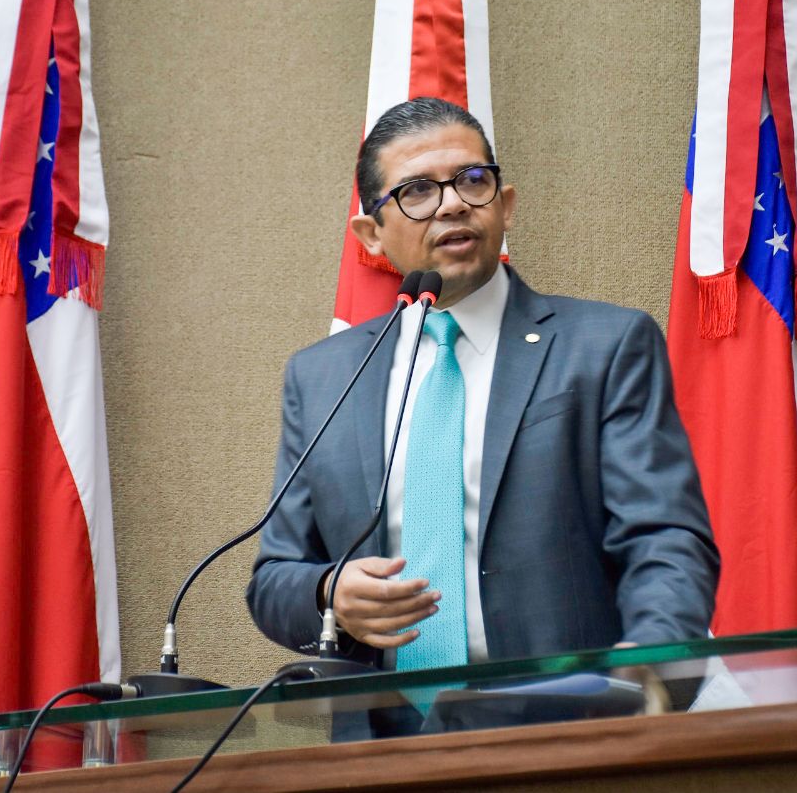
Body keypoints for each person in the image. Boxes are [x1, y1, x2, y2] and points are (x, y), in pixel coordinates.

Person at [247, 97, 718, 682]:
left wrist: (651, 656)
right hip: (382, 744)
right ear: (371, 234)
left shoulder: (605, 346)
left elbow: (664, 537)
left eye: (473, 180)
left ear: (506, 205)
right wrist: (327, 590)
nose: (450, 204)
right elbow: (273, 580)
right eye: (416, 191)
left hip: (569, 725)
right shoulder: (323, 378)